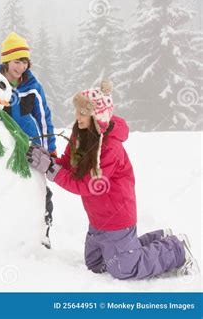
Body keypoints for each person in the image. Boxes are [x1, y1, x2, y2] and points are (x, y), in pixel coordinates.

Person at [27, 80, 199, 279]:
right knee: (96, 265)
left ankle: (176, 249)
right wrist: (51, 160)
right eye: (77, 111)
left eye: (83, 113)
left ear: (97, 116)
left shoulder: (110, 148)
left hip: (117, 217)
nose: (77, 117)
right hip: (97, 219)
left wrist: (52, 170)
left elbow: (87, 185)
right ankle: (159, 238)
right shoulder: (80, 133)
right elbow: (68, 162)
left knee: (125, 269)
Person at [0, 32, 57, 248]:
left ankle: (43, 228)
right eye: (16, 61)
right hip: (4, 147)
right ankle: (6, 232)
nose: (21, 67)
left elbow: (44, 118)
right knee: (7, 187)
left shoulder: (32, 86)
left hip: (31, 146)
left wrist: (48, 150)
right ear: (6, 61)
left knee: (40, 189)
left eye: (24, 61)